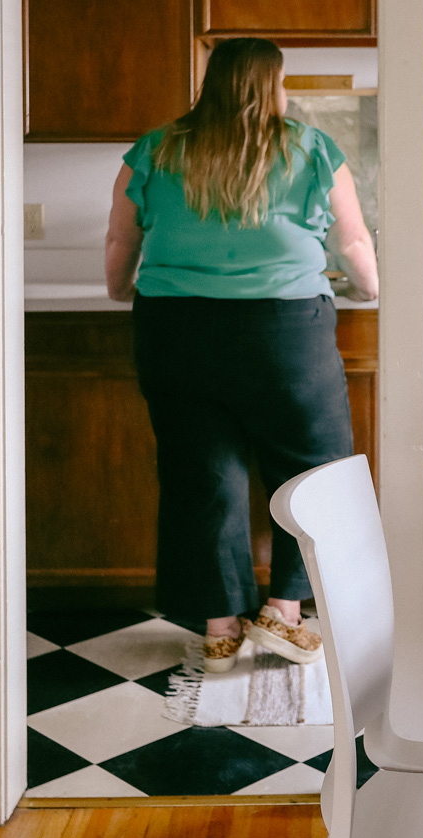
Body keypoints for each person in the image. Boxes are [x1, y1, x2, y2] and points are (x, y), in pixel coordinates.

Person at [104, 38, 379, 674]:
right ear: (274, 84)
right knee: (311, 470)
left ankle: (220, 631)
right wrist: (369, 287)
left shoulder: (157, 147)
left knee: (202, 477)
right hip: (285, 331)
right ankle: (284, 614)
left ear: (211, 79)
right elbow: (353, 237)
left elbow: (122, 235)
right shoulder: (310, 148)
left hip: (177, 329)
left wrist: (120, 291)